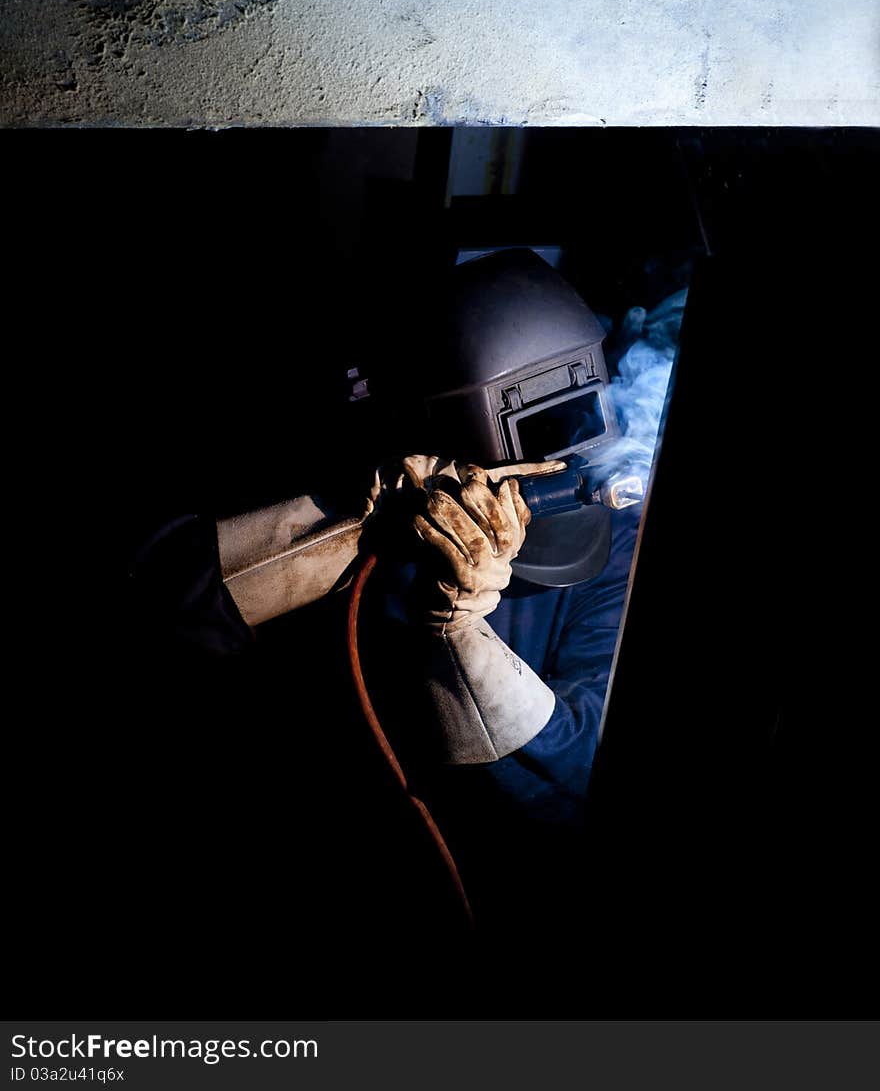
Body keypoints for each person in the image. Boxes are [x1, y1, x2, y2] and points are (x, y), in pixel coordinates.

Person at [126, 248, 645, 1008]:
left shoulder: (616, 540)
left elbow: (576, 785)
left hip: (482, 944)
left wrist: (462, 629)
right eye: (525, 433)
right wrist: (350, 519)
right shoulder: (366, 489)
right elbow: (163, 606)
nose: (556, 463)